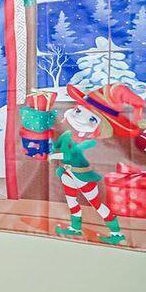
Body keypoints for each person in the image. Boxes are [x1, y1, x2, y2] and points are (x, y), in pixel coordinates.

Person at [49, 82, 146, 246]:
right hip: (67, 174)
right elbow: (60, 144)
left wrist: (54, 156)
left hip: (82, 176)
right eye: (78, 111)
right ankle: (75, 227)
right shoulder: (67, 133)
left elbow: (70, 153)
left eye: (92, 118)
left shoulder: (87, 142)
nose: (79, 118)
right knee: (71, 200)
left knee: (96, 204)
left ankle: (116, 232)